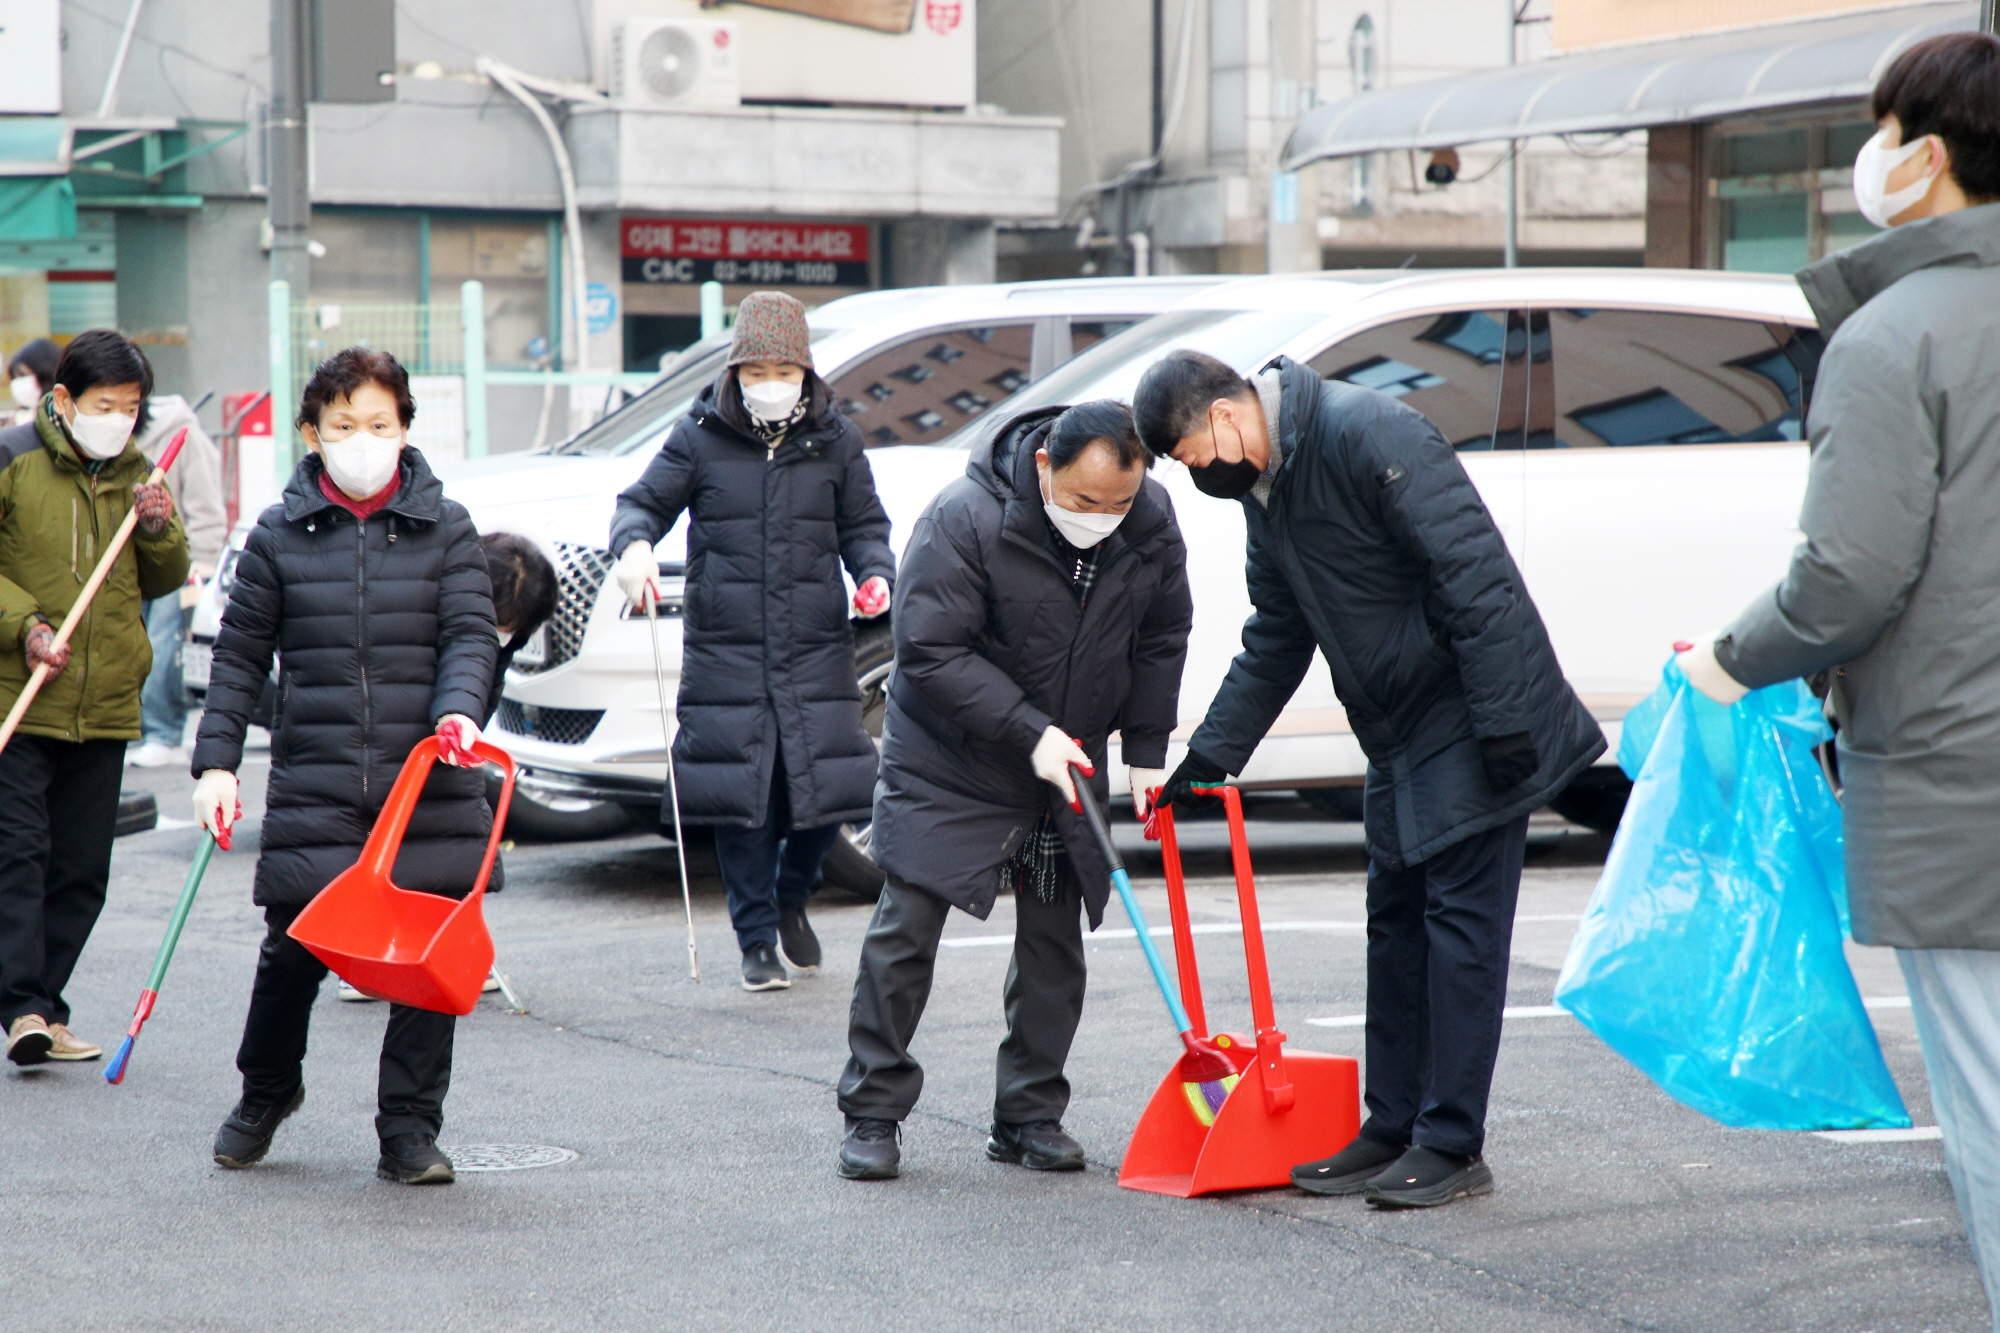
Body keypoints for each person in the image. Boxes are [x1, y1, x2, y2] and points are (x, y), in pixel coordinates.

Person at [1672, 33, 2000, 1328]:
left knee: (1987, 1095)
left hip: (1961, 775)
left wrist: (1725, 660)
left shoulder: (1893, 337)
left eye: (1877, 131)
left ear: (1921, 155)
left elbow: (1851, 575)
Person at [1133, 348, 1602, 1209]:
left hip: (1471, 706)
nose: (1204, 478)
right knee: (1394, 922)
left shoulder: (1370, 433)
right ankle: (1392, 1125)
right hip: (1398, 730)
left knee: (1460, 930)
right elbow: (1278, 632)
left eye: (1197, 458)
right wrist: (1210, 755)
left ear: (1228, 418)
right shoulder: (1269, 496)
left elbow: (1479, 581)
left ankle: (1453, 1143)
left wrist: (1502, 724)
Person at [835, 400, 1192, 1181]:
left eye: (1120, 502)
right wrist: (1028, 730)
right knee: (907, 932)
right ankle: (873, 1109)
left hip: (1068, 759)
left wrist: (1147, 748)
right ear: (1042, 467)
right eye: (1085, 501)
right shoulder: (964, 518)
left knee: (1053, 941)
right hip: (955, 758)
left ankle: (1029, 1113)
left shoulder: (1150, 521)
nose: (1103, 518)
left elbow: (1163, 631)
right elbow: (928, 649)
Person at [191, 346, 497, 1185]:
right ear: (312, 432)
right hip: (317, 779)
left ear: (404, 429)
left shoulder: (450, 527)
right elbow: (240, 658)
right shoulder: (278, 535)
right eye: (344, 425)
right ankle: (267, 1088)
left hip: (428, 780)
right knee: (292, 950)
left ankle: (408, 1129)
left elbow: (472, 635)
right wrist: (216, 764)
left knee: (423, 966)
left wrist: (461, 707)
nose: (363, 441)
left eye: (379, 424)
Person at [607, 291, 893, 993]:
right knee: (744, 798)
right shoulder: (698, 435)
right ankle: (756, 936)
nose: (770, 381)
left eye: (783, 368)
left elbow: (865, 526)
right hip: (726, 646)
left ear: (804, 370)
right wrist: (634, 547)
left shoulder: (836, 440)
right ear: (736, 368)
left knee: (830, 786)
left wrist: (875, 574)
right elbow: (641, 503)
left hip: (815, 643)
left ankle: (795, 892)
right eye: (757, 367)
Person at [0, 329, 189, 1065]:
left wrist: (158, 526)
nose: (119, 417)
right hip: (22, 693)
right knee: (19, 854)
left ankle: (45, 1005)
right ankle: (19, 1007)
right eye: (105, 404)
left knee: (81, 868)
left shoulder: (141, 473)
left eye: (131, 405)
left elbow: (167, 576)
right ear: (64, 399)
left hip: (105, 701)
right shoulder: (13, 461)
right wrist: (27, 626)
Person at [334, 530, 554, 1005]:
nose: (501, 633)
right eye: (496, 620)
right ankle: (367, 952)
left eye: (512, 625)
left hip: (456, 737)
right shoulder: (424, 606)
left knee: (449, 837)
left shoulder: (506, 639)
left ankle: (444, 946)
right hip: (391, 733)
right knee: (386, 836)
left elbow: (488, 685)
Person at [127, 393, 228, 767]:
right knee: (132, 648)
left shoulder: (182, 434)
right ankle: (139, 733)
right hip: (128, 566)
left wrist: (202, 559)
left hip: (178, 560)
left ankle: (163, 734)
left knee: (163, 646)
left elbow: (205, 502)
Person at [7, 339, 59, 428]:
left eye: (23, 375)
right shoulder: (20, 417)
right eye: (15, 377)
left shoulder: (61, 421)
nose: (18, 383)